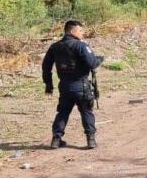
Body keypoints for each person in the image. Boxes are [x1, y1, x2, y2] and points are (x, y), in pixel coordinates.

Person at [42, 20, 104, 150]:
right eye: (80, 31)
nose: (82, 33)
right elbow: (92, 63)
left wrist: (48, 85)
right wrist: (99, 59)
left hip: (64, 87)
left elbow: (46, 66)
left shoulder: (55, 46)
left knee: (63, 113)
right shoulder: (80, 46)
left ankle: (56, 139)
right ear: (71, 31)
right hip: (81, 86)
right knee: (86, 111)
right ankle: (91, 139)